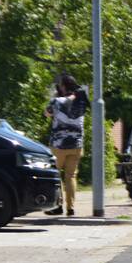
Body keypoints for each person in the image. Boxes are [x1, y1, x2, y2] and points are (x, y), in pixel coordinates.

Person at [44, 74, 88, 217]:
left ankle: (58, 206)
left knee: (56, 175)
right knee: (71, 176)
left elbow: (47, 113)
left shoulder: (57, 101)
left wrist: (56, 97)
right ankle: (71, 208)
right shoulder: (81, 101)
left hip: (59, 145)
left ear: (62, 86)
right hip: (76, 144)